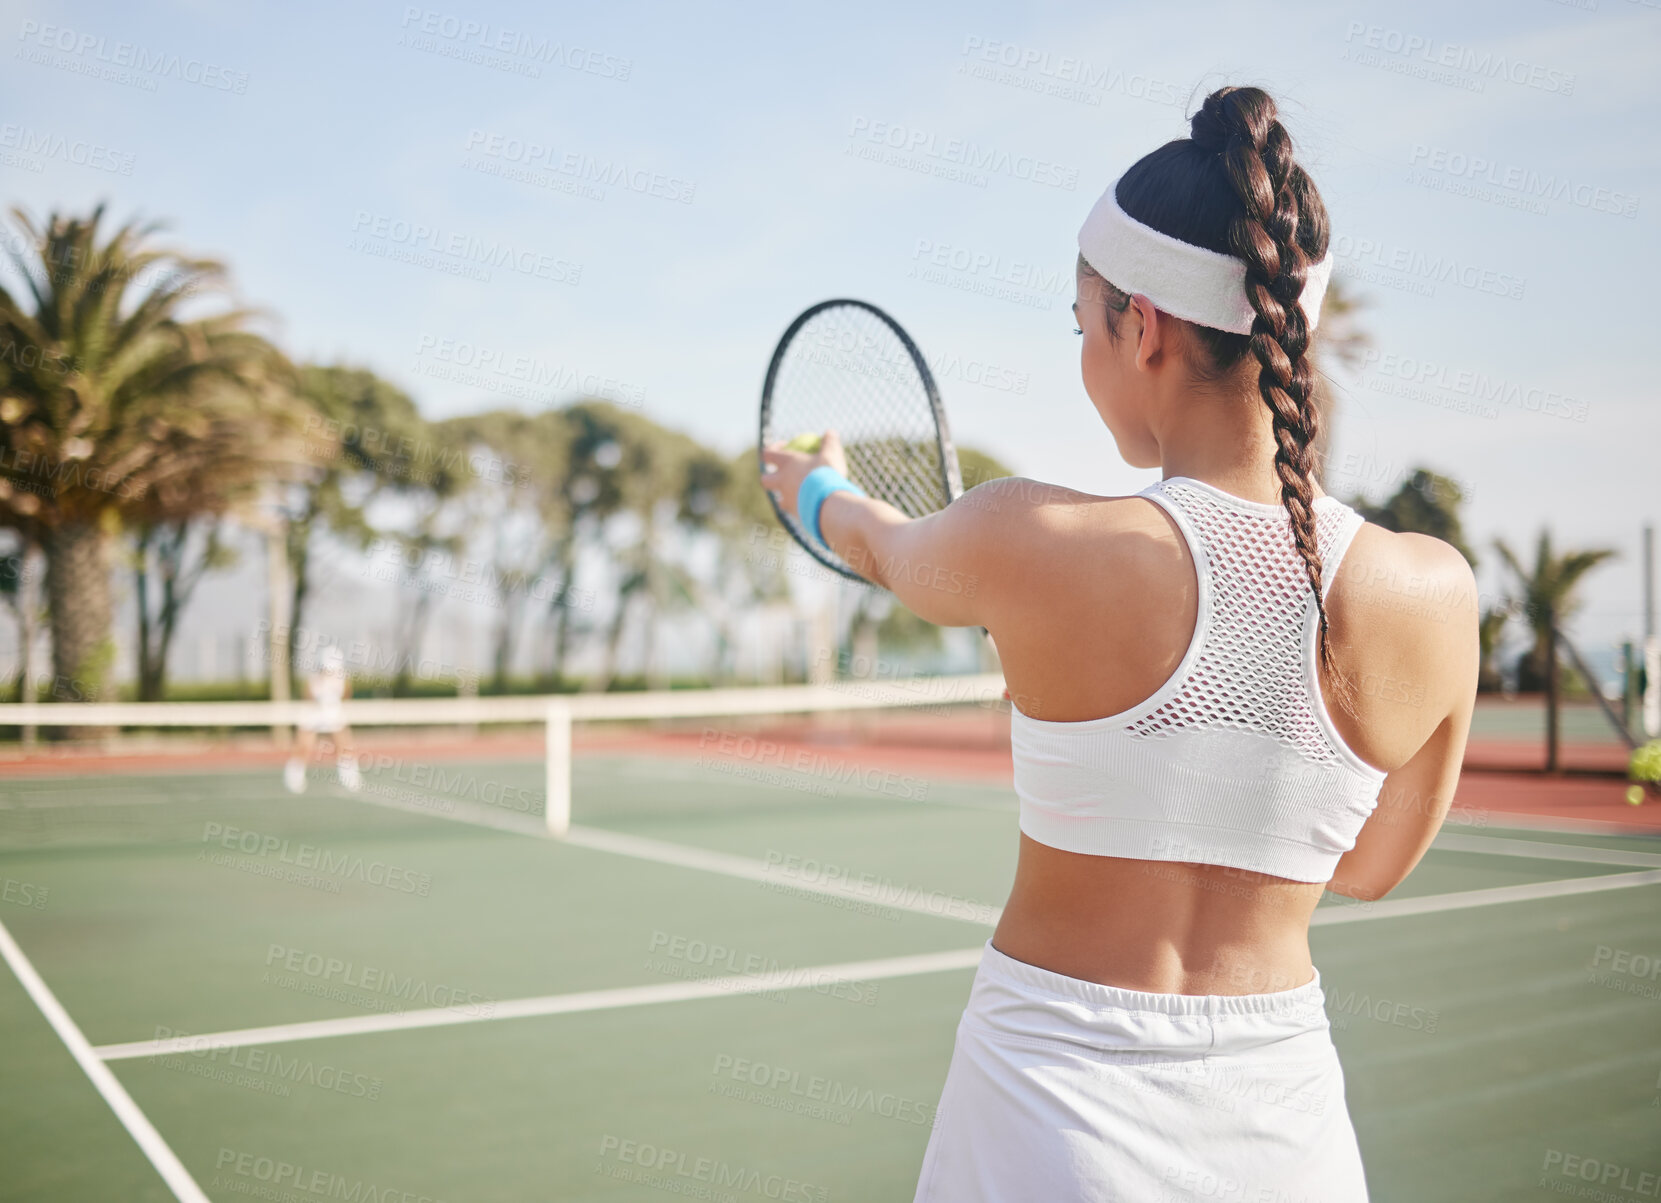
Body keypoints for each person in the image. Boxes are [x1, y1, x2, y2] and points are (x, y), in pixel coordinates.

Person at [761, 85, 1478, 1202]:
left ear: (1138, 327)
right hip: (1286, 1140)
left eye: (1081, 320)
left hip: (1045, 1119)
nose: (1082, 347)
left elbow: (880, 545)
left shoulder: (1030, 540)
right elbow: (1372, 867)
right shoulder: (1432, 591)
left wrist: (810, 489)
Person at [283, 644, 362, 794]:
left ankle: (350, 776)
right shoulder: (314, 679)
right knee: (304, 745)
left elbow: (347, 694)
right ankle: (294, 776)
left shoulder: (342, 678)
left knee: (344, 744)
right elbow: (307, 696)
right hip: (314, 714)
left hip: (333, 713)